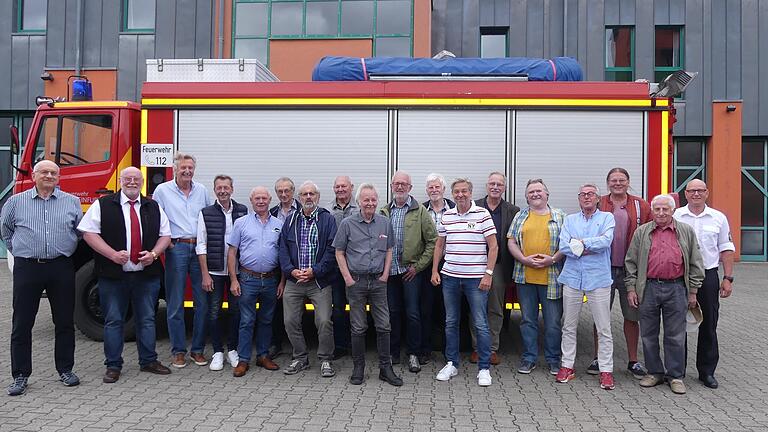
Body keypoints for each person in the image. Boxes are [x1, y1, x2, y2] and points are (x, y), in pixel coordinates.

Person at [79, 167, 173, 383]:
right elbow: (88, 233)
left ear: (142, 182)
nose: (132, 182)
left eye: (136, 179)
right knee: (113, 321)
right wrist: (112, 254)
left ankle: (148, 360)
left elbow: (165, 235)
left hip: (146, 275)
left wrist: (154, 254)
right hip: (113, 275)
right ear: (120, 181)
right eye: (127, 179)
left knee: (147, 319)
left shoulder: (153, 206)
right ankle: (113, 366)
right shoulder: (103, 204)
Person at [1, 160, 82, 396]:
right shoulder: (16, 202)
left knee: (65, 322)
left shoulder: (71, 201)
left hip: (61, 267)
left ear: (59, 177)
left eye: (53, 173)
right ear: (34, 176)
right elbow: (6, 230)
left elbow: (78, 232)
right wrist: (20, 250)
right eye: (44, 172)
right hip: (28, 268)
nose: (49, 176)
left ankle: (65, 370)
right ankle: (20, 375)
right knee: (22, 323)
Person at [625, 194, 705, 395]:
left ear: (673, 211)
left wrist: (693, 291)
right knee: (649, 334)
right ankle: (654, 373)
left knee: (676, 335)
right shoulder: (642, 232)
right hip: (649, 288)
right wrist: (631, 288)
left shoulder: (685, 231)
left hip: (677, 288)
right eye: (657, 209)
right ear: (652, 210)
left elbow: (696, 262)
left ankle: (675, 376)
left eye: (665, 209)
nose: (661, 213)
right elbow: (631, 262)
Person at [431, 178, 498, 387]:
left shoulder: (482, 214)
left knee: (480, 323)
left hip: (476, 279)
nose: (460, 195)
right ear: (452, 194)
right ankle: (451, 363)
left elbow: (493, 246)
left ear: (470, 193)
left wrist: (488, 274)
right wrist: (435, 270)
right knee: (451, 322)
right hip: (450, 277)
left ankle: (484, 368)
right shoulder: (448, 216)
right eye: (457, 192)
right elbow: (439, 245)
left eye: (464, 191)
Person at [333, 183, 402, 386]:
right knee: (358, 327)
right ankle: (358, 368)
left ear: (377, 201)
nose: (370, 203)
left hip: (379, 281)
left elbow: (389, 250)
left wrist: (386, 275)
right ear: (359, 202)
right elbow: (339, 252)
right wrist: (348, 279)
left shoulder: (384, 222)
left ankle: (385, 369)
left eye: (373, 199)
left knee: (384, 325)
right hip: (356, 281)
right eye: (366, 200)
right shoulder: (347, 224)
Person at [587, 167, 651, 379]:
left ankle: (633, 361)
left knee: (631, 315)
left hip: (629, 271)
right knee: (600, 316)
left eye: (621, 180)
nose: (617, 183)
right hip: (603, 269)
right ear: (607, 183)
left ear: (628, 182)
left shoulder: (640, 205)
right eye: (613, 180)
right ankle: (599, 358)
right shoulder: (599, 203)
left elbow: (650, 234)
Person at [673, 179, 735, 389]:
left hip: (708, 276)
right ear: (686, 194)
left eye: (700, 190)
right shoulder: (676, 216)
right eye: (692, 191)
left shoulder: (718, 218)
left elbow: (726, 248)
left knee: (708, 324)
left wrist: (727, 278)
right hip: (680, 276)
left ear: (707, 193)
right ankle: (677, 371)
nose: (696, 194)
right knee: (678, 325)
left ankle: (706, 372)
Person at [152, 152, 212, 368]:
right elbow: (156, 218)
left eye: (190, 168)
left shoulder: (202, 191)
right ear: (174, 169)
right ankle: (178, 351)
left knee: (202, 303)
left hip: (199, 249)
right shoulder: (162, 191)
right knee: (175, 303)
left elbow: (208, 217)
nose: (187, 171)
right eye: (183, 168)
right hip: (176, 248)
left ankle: (197, 350)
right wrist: (166, 244)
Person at [556, 184, 616, 390]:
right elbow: (563, 246)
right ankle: (567, 366)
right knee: (568, 326)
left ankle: (606, 371)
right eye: (583, 194)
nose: (587, 197)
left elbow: (606, 242)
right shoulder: (570, 219)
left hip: (598, 279)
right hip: (572, 278)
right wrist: (588, 246)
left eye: (591, 194)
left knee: (604, 328)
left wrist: (579, 244)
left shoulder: (607, 218)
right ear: (578, 198)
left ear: (598, 198)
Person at [506, 179, 566, 376]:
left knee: (553, 322)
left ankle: (553, 359)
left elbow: (567, 244)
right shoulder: (521, 215)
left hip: (551, 277)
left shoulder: (560, 215)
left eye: (539, 191)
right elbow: (512, 241)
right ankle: (529, 357)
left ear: (547, 194)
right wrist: (524, 259)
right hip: (525, 276)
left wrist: (553, 259)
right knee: (528, 320)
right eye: (531, 191)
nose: (535, 194)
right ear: (526, 196)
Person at [380, 171, 437, 373]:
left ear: (410, 188)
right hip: (390, 272)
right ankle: (394, 352)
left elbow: (433, 241)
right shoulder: (384, 211)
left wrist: (418, 266)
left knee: (413, 313)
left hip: (410, 272)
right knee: (393, 313)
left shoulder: (420, 211)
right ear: (391, 186)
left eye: (404, 184)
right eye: (397, 184)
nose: (400, 187)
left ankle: (413, 353)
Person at [279, 181, 337, 377]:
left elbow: (332, 251)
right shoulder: (291, 219)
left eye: (312, 193)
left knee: (323, 321)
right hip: (294, 280)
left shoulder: (327, 220)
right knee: (290, 320)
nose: (308, 197)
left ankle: (326, 359)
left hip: (318, 281)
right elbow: (282, 249)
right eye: (304, 194)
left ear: (318, 197)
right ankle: (300, 358)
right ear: (299, 197)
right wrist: (290, 271)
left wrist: (315, 271)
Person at [228, 187, 285, 377]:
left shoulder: (279, 224)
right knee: (246, 320)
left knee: (267, 320)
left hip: (271, 279)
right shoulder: (241, 223)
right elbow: (232, 252)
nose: (260, 201)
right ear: (251, 201)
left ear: (270, 200)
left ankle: (262, 355)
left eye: (264, 198)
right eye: (257, 198)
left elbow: (284, 255)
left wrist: (282, 282)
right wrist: (233, 279)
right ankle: (243, 359)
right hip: (247, 278)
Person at [196, 175, 248, 371]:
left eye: (226, 187)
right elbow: (201, 245)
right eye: (219, 187)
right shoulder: (206, 213)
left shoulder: (243, 210)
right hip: (214, 271)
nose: (223, 191)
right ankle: (218, 352)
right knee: (214, 311)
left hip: (237, 271)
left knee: (236, 311)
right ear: (214, 190)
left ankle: (232, 350)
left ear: (232, 189)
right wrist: (205, 274)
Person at [471, 172, 520, 365]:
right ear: (487, 185)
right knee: (475, 308)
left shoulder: (512, 210)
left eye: (499, 184)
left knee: (495, 308)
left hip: (499, 266)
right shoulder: (474, 206)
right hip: (474, 264)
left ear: (505, 188)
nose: (495, 187)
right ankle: (477, 348)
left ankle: (491, 349)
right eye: (492, 183)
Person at [422, 173, 456, 359]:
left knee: (447, 308)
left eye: (437, 187)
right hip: (427, 264)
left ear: (443, 189)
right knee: (426, 307)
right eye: (430, 187)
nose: (434, 190)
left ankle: (447, 350)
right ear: (427, 190)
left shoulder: (454, 208)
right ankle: (426, 349)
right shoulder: (420, 210)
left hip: (450, 264)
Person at [325, 176, 358, 359]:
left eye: (344, 186)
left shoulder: (359, 208)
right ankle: (340, 345)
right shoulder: (328, 210)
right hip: (335, 268)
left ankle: (356, 345)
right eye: (337, 186)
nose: (340, 189)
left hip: (354, 266)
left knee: (356, 307)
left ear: (351, 187)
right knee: (337, 308)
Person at [267, 177, 300, 359]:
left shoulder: (304, 210)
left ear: (293, 191)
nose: (284, 194)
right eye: (280, 191)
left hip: (299, 267)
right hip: (277, 267)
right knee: (276, 307)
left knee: (297, 308)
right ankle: (276, 344)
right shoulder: (271, 213)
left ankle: (298, 346)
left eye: (287, 190)